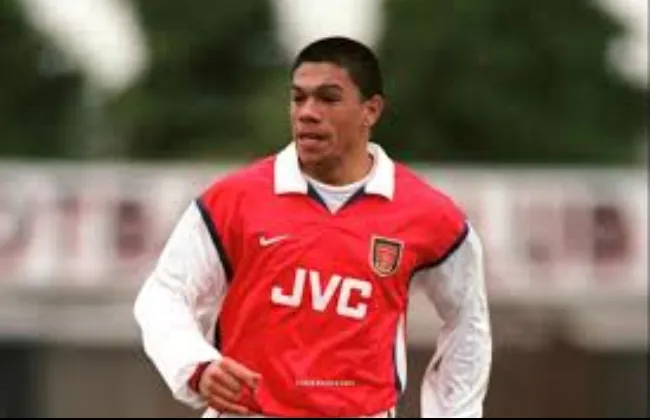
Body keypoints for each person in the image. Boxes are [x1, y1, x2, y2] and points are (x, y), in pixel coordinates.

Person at [133, 36, 492, 418]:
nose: (307, 112)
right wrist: (195, 366)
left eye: (328, 98)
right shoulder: (233, 200)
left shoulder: (430, 215)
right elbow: (164, 293)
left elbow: (468, 323)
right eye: (298, 98)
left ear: (370, 110)